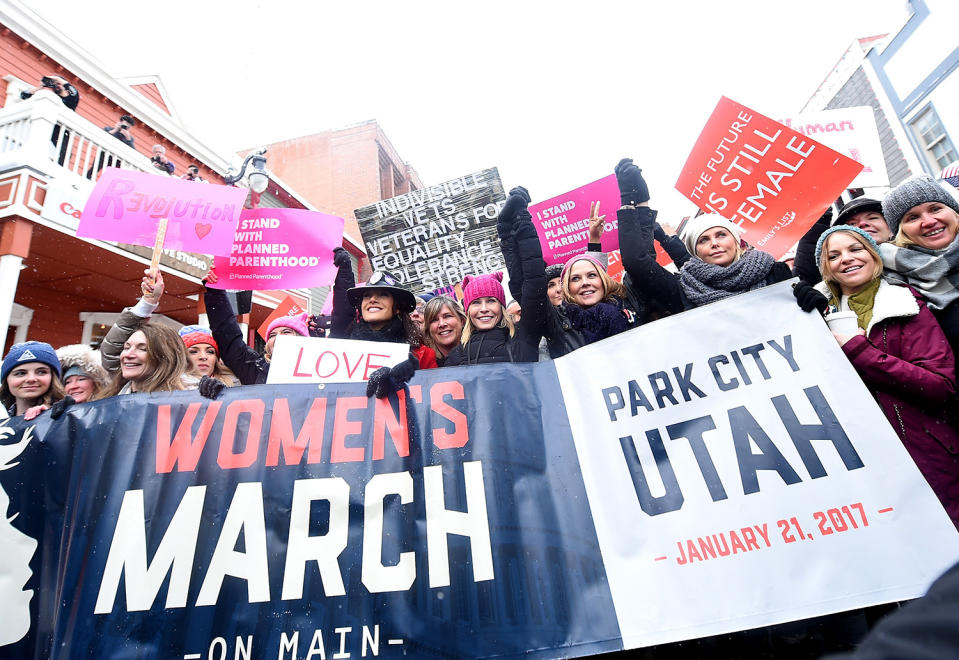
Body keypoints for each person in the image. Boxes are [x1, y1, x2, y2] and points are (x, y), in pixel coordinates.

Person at [796, 224, 959, 527]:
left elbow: (940, 386)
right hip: (867, 468)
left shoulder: (906, 304)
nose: (845, 258)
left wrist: (861, 351)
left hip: (929, 457)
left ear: (873, 255)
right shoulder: (816, 316)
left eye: (855, 249)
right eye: (834, 256)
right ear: (826, 269)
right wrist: (810, 323)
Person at [615, 159, 792, 313]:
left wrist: (809, 300)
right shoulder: (684, 289)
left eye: (721, 235)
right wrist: (634, 203)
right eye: (704, 240)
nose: (714, 243)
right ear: (695, 251)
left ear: (736, 241)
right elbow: (637, 263)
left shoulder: (773, 272)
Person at [877, 174, 959, 356]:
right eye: (912, 217)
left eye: (935, 209)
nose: (929, 222)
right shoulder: (894, 287)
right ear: (901, 232)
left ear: (954, 211)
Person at [329, 250, 437, 388]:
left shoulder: (421, 356)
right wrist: (344, 273)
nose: (373, 300)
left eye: (383, 295)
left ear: (397, 307)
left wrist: (401, 380)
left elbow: (430, 400)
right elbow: (342, 313)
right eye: (367, 296)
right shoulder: (341, 347)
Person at [203, 267, 312, 385]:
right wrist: (215, 292)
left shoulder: (322, 369)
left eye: (286, 332)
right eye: (272, 335)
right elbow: (227, 336)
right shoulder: (255, 369)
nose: (278, 337)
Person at [443, 271, 542, 366]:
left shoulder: (522, 338)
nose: (484, 309)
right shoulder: (455, 357)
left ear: (501, 306)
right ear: (468, 311)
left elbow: (534, 288)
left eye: (491, 301)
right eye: (476, 302)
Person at [97, 323, 191, 397]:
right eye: (126, 348)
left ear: (165, 357)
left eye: (142, 349)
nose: (128, 355)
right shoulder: (108, 401)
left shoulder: (183, 403)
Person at [1, 342, 64, 420]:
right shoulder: (2, 420)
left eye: (41, 372)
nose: (31, 379)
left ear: (53, 377)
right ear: (6, 380)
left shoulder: (68, 417)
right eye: (21, 373)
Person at [422, 295, 467, 367]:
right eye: (434, 320)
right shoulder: (424, 364)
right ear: (428, 329)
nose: (442, 324)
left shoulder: (479, 351)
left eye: (447, 316)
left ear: (462, 321)